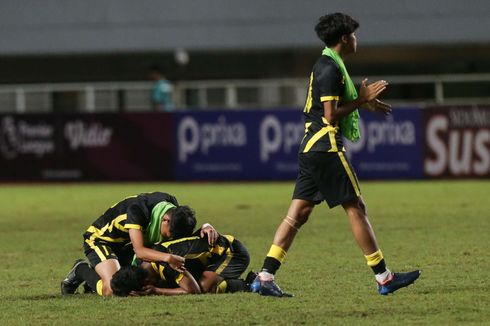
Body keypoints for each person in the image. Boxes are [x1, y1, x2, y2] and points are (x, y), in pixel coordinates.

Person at [251, 13, 420, 297]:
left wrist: (363, 103)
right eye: (353, 34)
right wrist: (361, 100)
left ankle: (265, 276)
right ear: (344, 38)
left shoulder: (327, 63)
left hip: (309, 148)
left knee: (297, 215)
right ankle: (384, 277)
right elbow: (329, 117)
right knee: (356, 208)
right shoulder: (329, 68)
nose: (356, 39)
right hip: (325, 147)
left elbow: (329, 108)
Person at [60, 191, 218, 296]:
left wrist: (205, 226)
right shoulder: (138, 211)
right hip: (101, 241)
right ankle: (80, 269)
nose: (169, 239)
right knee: (114, 290)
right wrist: (168, 258)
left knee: (139, 283)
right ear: (165, 220)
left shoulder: (172, 208)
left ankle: (94, 281)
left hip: (125, 245)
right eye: (168, 234)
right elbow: (140, 251)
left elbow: (178, 239)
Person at [110, 233, 254, 296]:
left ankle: (250, 283)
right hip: (212, 254)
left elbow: (194, 292)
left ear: (146, 283)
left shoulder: (167, 264)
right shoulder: (148, 259)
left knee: (204, 287)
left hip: (232, 252)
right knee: (179, 284)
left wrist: (156, 291)